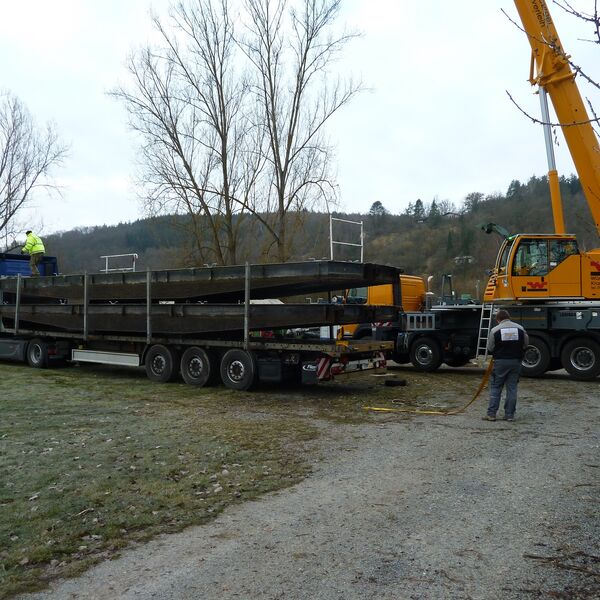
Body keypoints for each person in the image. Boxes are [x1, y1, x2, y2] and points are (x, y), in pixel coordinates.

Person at [483, 309, 529, 422]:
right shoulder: (520, 328)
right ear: (509, 317)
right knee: (512, 388)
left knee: (496, 387)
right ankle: (509, 415)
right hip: (515, 362)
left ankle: (491, 414)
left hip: (500, 362)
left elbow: (490, 348)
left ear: (498, 319)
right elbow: (525, 344)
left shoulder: (495, 330)